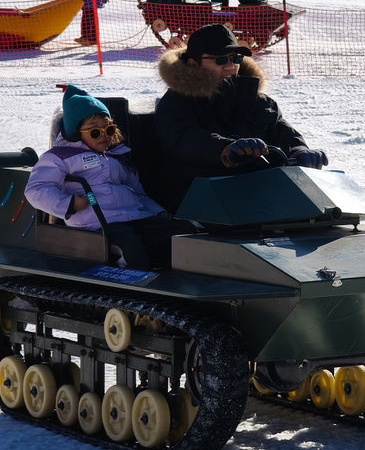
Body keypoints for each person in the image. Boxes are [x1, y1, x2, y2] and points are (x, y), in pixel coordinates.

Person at [153, 25, 328, 211]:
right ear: (193, 63)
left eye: (236, 58)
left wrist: (299, 150)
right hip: (200, 199)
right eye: (220, 59)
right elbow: (184, 138)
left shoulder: (256, 100)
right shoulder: (177, 102)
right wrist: (226, 148)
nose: (230, 66)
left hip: (256, 194)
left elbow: (280, 130)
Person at [24, 85, 188, 270]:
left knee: (179, 235)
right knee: (131, 248)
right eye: (95, 132)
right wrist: (68, 204)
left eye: (108, 130)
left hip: (134, 217)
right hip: (97, 224)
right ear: (76, 133)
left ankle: (175, 280)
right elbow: (36, 189)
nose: (103, 136)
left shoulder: (117, 158)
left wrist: (157, 211)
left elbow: (138, 193)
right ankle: (131, 282)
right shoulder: (60, 157)